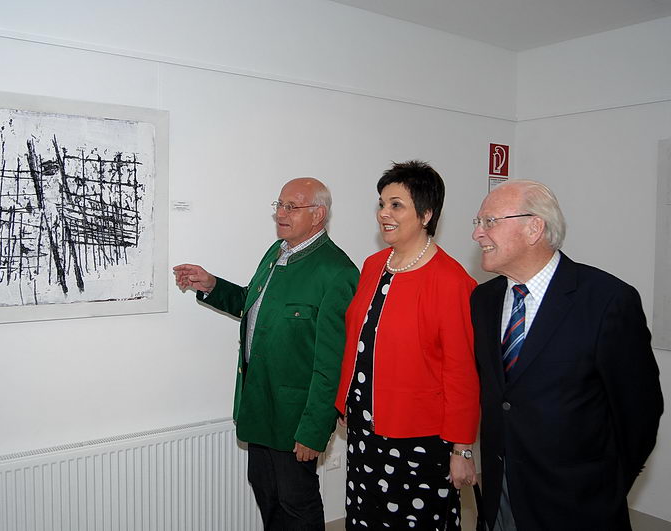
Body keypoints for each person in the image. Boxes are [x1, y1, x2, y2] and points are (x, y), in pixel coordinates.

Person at [470, 179, 664, 531]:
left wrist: (604, 488)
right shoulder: (483, 301)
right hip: (500, 496)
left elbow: (639, 413)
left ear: (534, 228)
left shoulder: (607, 301)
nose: (477, 234)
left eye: (490, 221)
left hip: (577, 505)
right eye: (478, 222)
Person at [173, 177, 359, 530]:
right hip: (259, 405)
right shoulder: (277, 252)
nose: (280, 214)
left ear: (318, 215)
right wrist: (212, 285)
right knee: (266, 493)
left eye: (291, 207)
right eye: (279, 205)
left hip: (294, 417)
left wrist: (314, 429)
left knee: (296, 502)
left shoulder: (337, 272)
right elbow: (254, 306)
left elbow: (333, 363)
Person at [335, 161, 480, 530]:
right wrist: (347, 398)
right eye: (382, 204)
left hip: (418, 437)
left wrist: (462, 449)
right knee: (366, 519)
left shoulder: (451, 282)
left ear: (426, 214)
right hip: (365, 428)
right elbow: (360, 340)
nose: (384, 213)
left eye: (396, 205)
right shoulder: (373, 266)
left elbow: (462, 373)